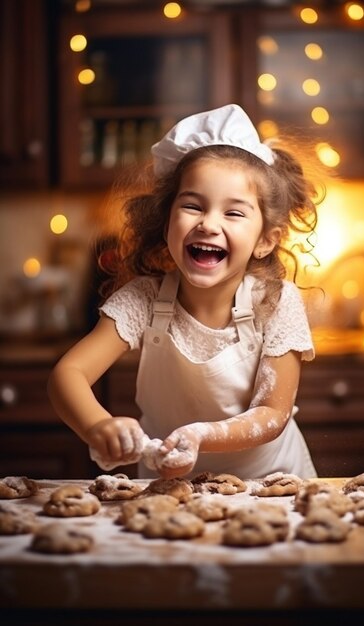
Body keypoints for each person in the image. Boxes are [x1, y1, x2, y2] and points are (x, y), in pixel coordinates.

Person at [48, 103, 320, 480]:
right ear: (166, 222)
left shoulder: (276, 302)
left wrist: (200, 435)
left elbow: (272, 415)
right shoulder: (143, 299)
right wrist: (97, 426)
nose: (208, 224)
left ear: (265, 241)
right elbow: (68, 373)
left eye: (234, 213)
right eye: (193, 205)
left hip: (270, 486)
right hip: (168, 487)